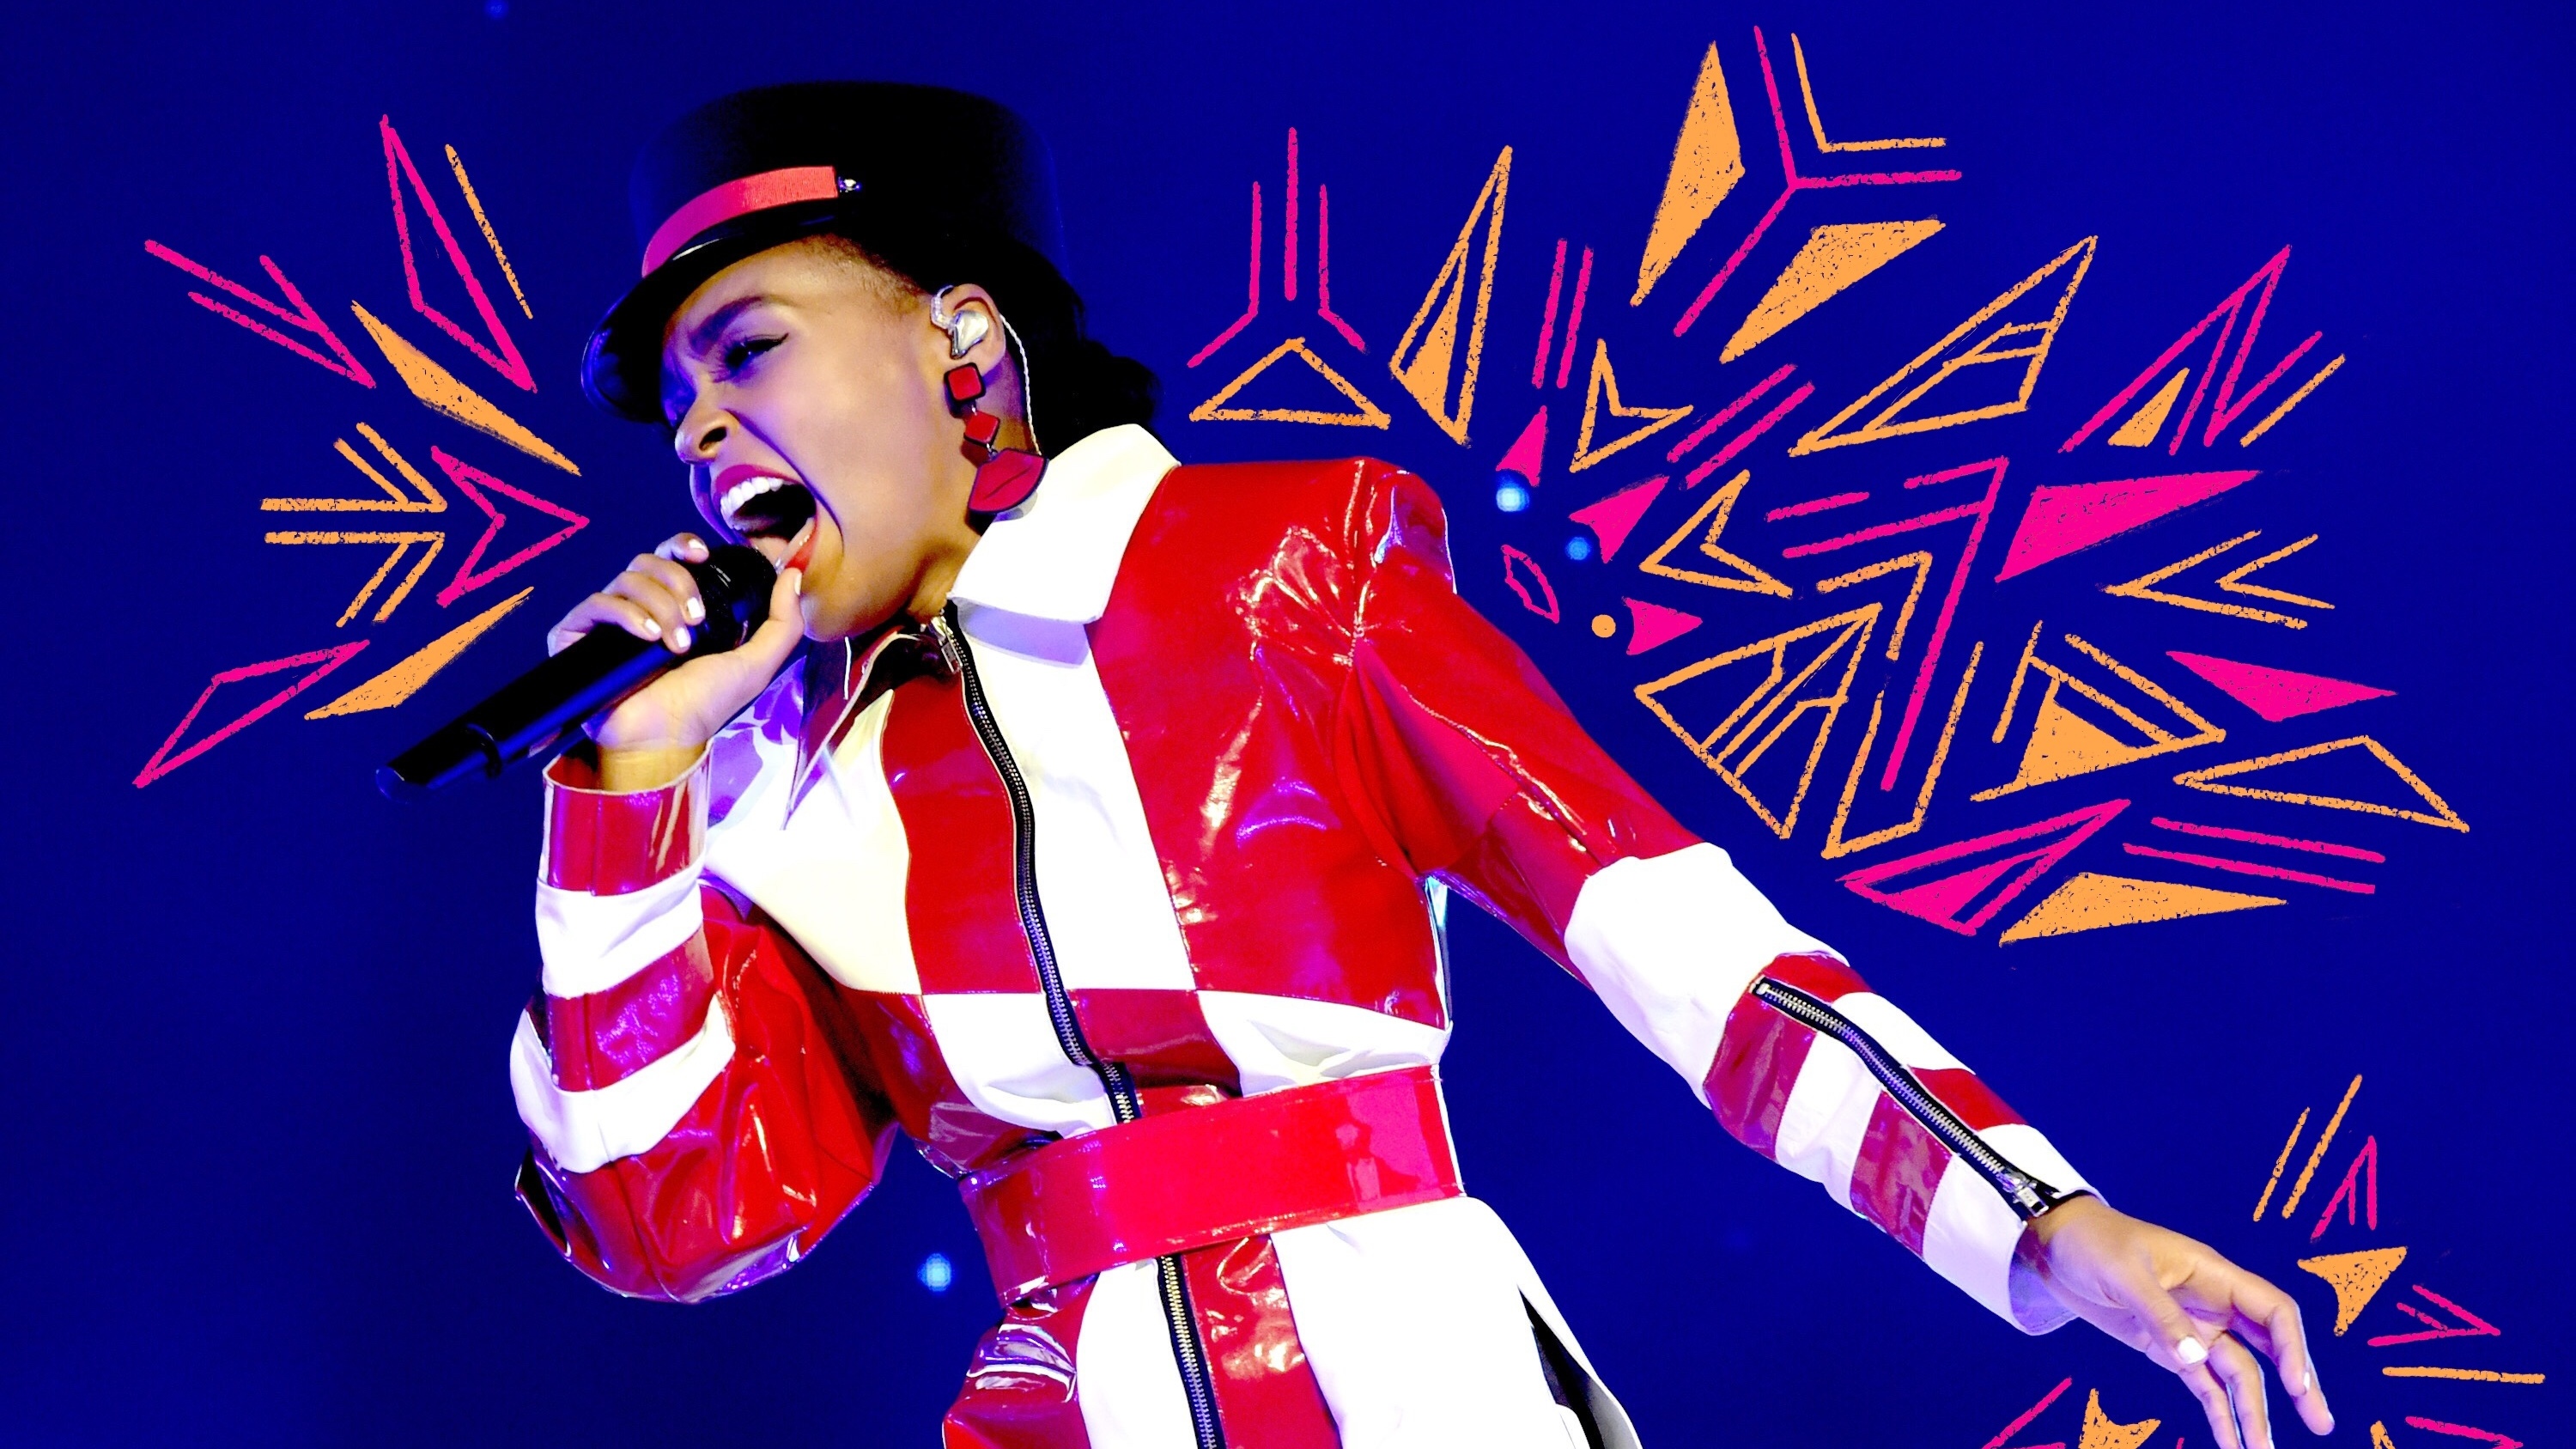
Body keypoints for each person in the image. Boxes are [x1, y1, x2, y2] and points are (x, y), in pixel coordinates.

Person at [512, 82, 2336, 1449]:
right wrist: (622, 789)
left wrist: (2047, 1219)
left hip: (1407, 1374)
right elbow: (678, 1219)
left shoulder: (1282, 573)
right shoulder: (752, 784)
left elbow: (1669, 934)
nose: (706, 429)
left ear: (961, 337)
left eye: (752, 351)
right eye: (680, 407)